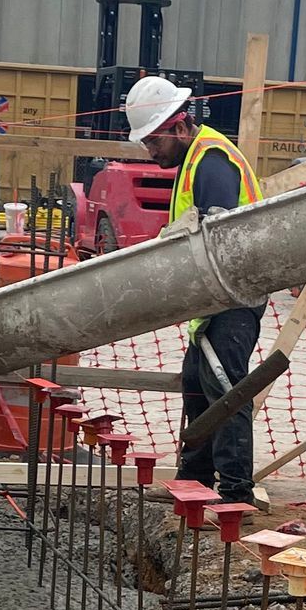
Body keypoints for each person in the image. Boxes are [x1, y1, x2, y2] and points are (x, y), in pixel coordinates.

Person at [124, 74, 264, 504]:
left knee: (225, 388)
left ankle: (236, 491)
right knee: (196, 384)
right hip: (214, 297)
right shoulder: (194, 159)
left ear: (180, 127)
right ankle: (194, 481)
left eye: (155, 141)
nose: (150, 150)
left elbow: (219, 229)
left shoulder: (212, 159)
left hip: (234, 294)